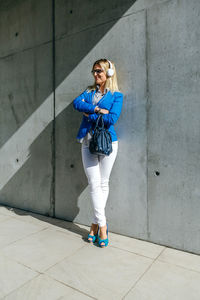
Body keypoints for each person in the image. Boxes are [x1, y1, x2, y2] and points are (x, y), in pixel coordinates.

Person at [73, 58, 123, 247]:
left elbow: (112, 118)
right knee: (94, 184)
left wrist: (89, 115)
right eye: (93, 71)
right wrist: (95, 108)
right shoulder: (87, 92)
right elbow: (76, 104)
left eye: (99, 71)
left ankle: (94, 224)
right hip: (87, 142)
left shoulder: (117, 95)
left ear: (109, 73)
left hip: (108, 142)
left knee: (103, 183)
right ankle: (103, 227)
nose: (95, 75)